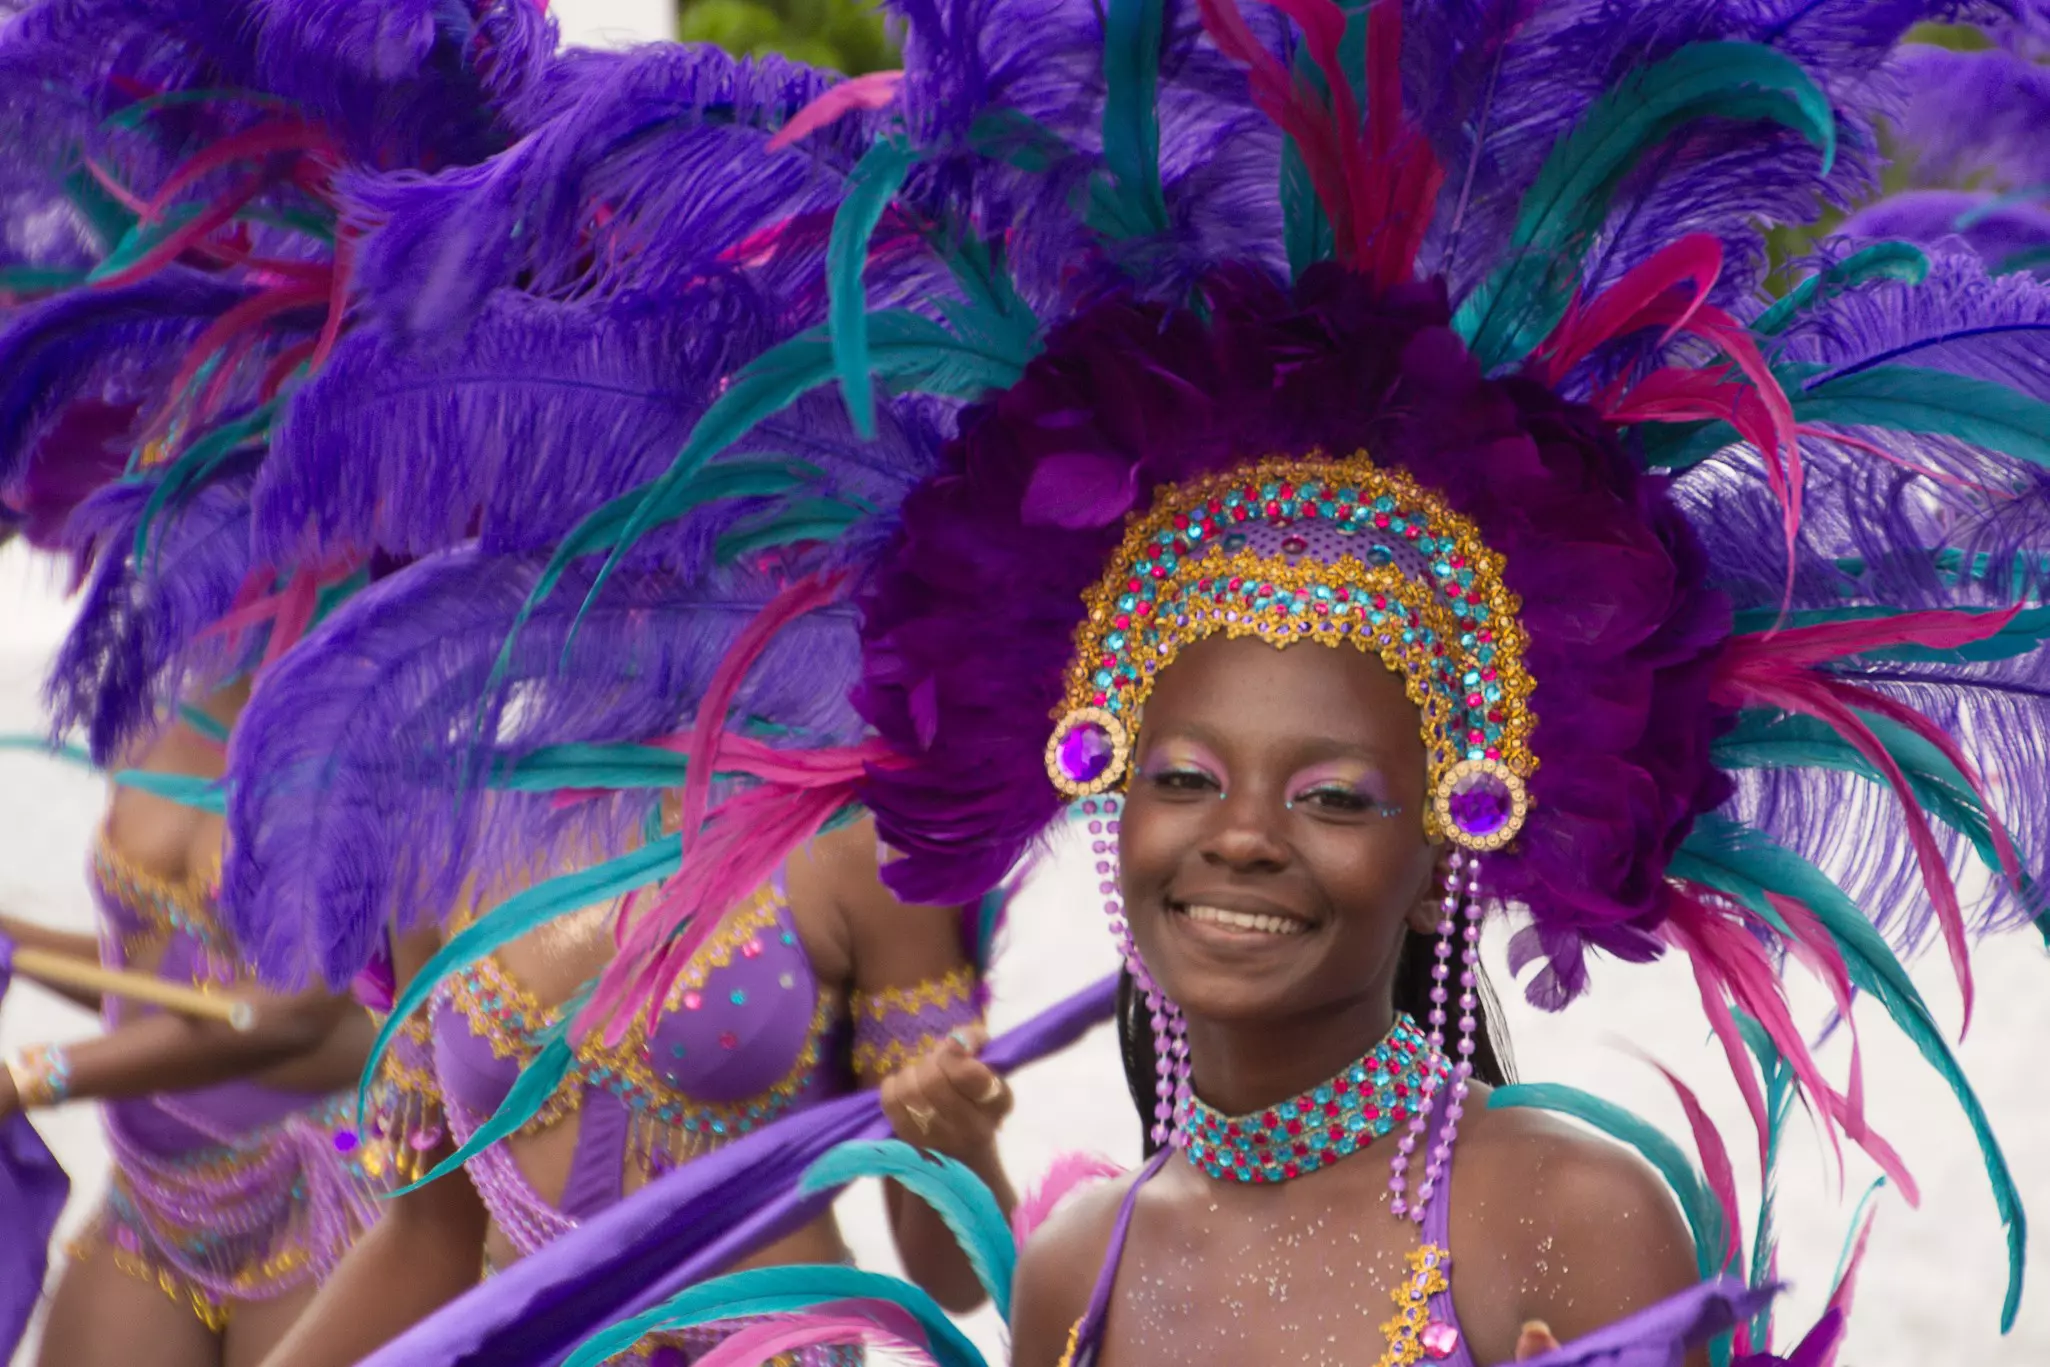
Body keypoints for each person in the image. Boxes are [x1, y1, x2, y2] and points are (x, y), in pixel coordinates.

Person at [374, 0, 2041, 1362]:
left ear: (1449, 833)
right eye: (1184, 777)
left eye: (1331, 794)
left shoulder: (1563, 1218)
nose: (1239, 834)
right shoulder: (1076, 1269)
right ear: (1105, 790)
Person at [0, 684, 385, 1367]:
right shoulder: (161, 703)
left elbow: (285, 1013)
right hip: (153, 1199)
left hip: (316, 1202)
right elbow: (159, 979)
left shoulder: (367, 732)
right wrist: (14, 941)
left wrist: (31, 1076)